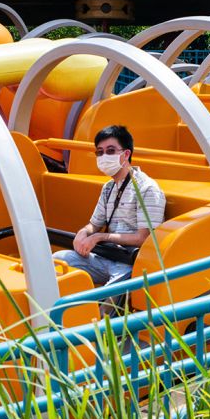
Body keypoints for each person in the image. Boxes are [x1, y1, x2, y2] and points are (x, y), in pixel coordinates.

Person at [53, 125, 165, 307]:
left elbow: (144, 238)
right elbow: (94, 224)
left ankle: (99, 329)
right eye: (100, 152)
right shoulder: (108, 188)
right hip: (104, 257)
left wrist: (99, 237)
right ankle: (58, 314)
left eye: (111, 151)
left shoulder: (147, 189)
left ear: (126, 154)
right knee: (58, 260)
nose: (104, 156)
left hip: (128, 263)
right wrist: (83, 232)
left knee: (110, 295)